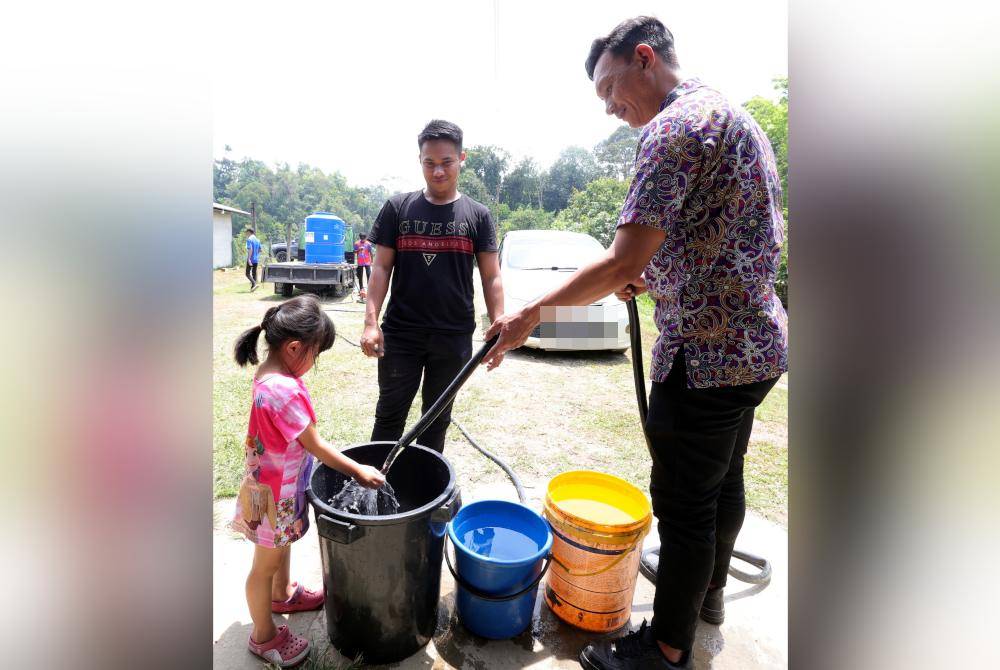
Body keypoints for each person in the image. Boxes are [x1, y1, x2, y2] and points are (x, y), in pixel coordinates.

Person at [482, 17, 788, 670]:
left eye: (610, 88)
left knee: (682, 509)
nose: (609, 107)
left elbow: (619, 263)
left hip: (706, 355)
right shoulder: (732, 116)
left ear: (644, 58)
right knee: (720, 485)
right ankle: (707, 601)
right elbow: (722, 233)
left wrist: (532, 314)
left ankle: (666, 649)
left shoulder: (673, 129)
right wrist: (657, 269)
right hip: (756, 347)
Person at [231, 294, 385, 667]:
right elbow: (314, 444)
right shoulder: (282, 391)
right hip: (272, 495)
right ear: (295, 347)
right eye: (315, 355)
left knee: (281, 548)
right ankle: (263, 636)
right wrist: (358, 470)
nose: (314, 362)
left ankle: (282, 594)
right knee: (262, 567)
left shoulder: (270, 374)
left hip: (274, 483)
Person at [360, 119, 504, 453]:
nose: (438, 171)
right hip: (400, 334)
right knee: (388, 416)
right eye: (430, 163)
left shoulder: (478, 215)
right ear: (420, 160)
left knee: (436, 419)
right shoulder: (398, 208)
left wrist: (498, 325)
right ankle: (375, 495)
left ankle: (424, 496)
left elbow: (491, 276)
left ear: (462, 158)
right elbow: (380, 268)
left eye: (446, 162)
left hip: (453, 337)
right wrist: (370, 323)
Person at [245, 228, 261, 292]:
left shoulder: (249, 239)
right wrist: (256, 255)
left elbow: (250, 249)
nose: (246, 234)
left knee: (247, 273)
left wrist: (249, 259)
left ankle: (254, 283)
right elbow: (260, 250)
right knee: (254, 273)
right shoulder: (258, 240)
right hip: (256, 259)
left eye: (246, 232)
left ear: (249, 232)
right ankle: (253, 288)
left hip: (251, 259)